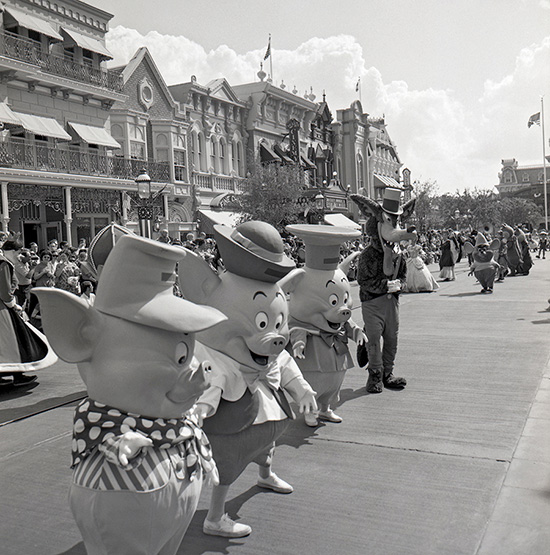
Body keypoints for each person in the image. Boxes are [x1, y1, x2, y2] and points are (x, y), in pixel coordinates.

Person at [0, 237, 55, 386]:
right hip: (3, 309)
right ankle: (17, 375)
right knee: (14, 341)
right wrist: (13, 305)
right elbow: (4, 291)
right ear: (11, 251)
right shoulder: (4, 264)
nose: (20, 256)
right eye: (18, 252)